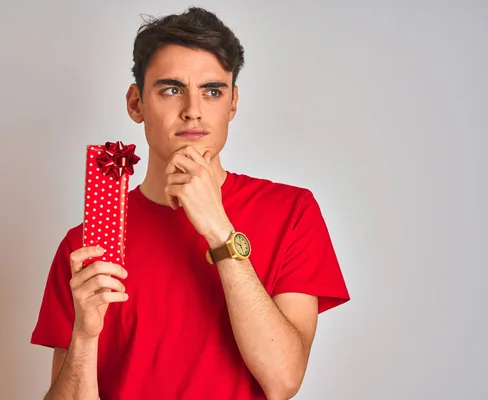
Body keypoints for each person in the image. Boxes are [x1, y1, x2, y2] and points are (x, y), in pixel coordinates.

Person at [31, 7, 350, 400]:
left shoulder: (293, 212)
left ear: (232, 103)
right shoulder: (88, 244)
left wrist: (218, 228)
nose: (193, 110)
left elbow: (283, 380)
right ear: (136, 104)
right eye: (171, 89)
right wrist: (83, 336)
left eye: (212, 91)